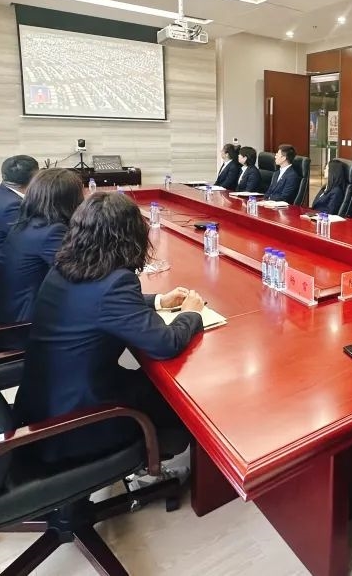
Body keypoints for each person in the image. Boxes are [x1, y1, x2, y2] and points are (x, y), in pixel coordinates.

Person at [13, 192, 207, 464]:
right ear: (131, 236)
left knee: (145, 382)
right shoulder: (116, 283)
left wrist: (159, 301)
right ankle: (169, 458)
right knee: (179, 398)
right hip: (77, 423)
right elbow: (165, 344)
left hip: (45, 404)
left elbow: (94, 301)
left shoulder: (63, 266)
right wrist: (190, 314)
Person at [0, 168, 85, 331]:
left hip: (9, 315)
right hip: (25, 326)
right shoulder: (52, 232)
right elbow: (80, 276)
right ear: (70, 200)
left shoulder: (28, 222)